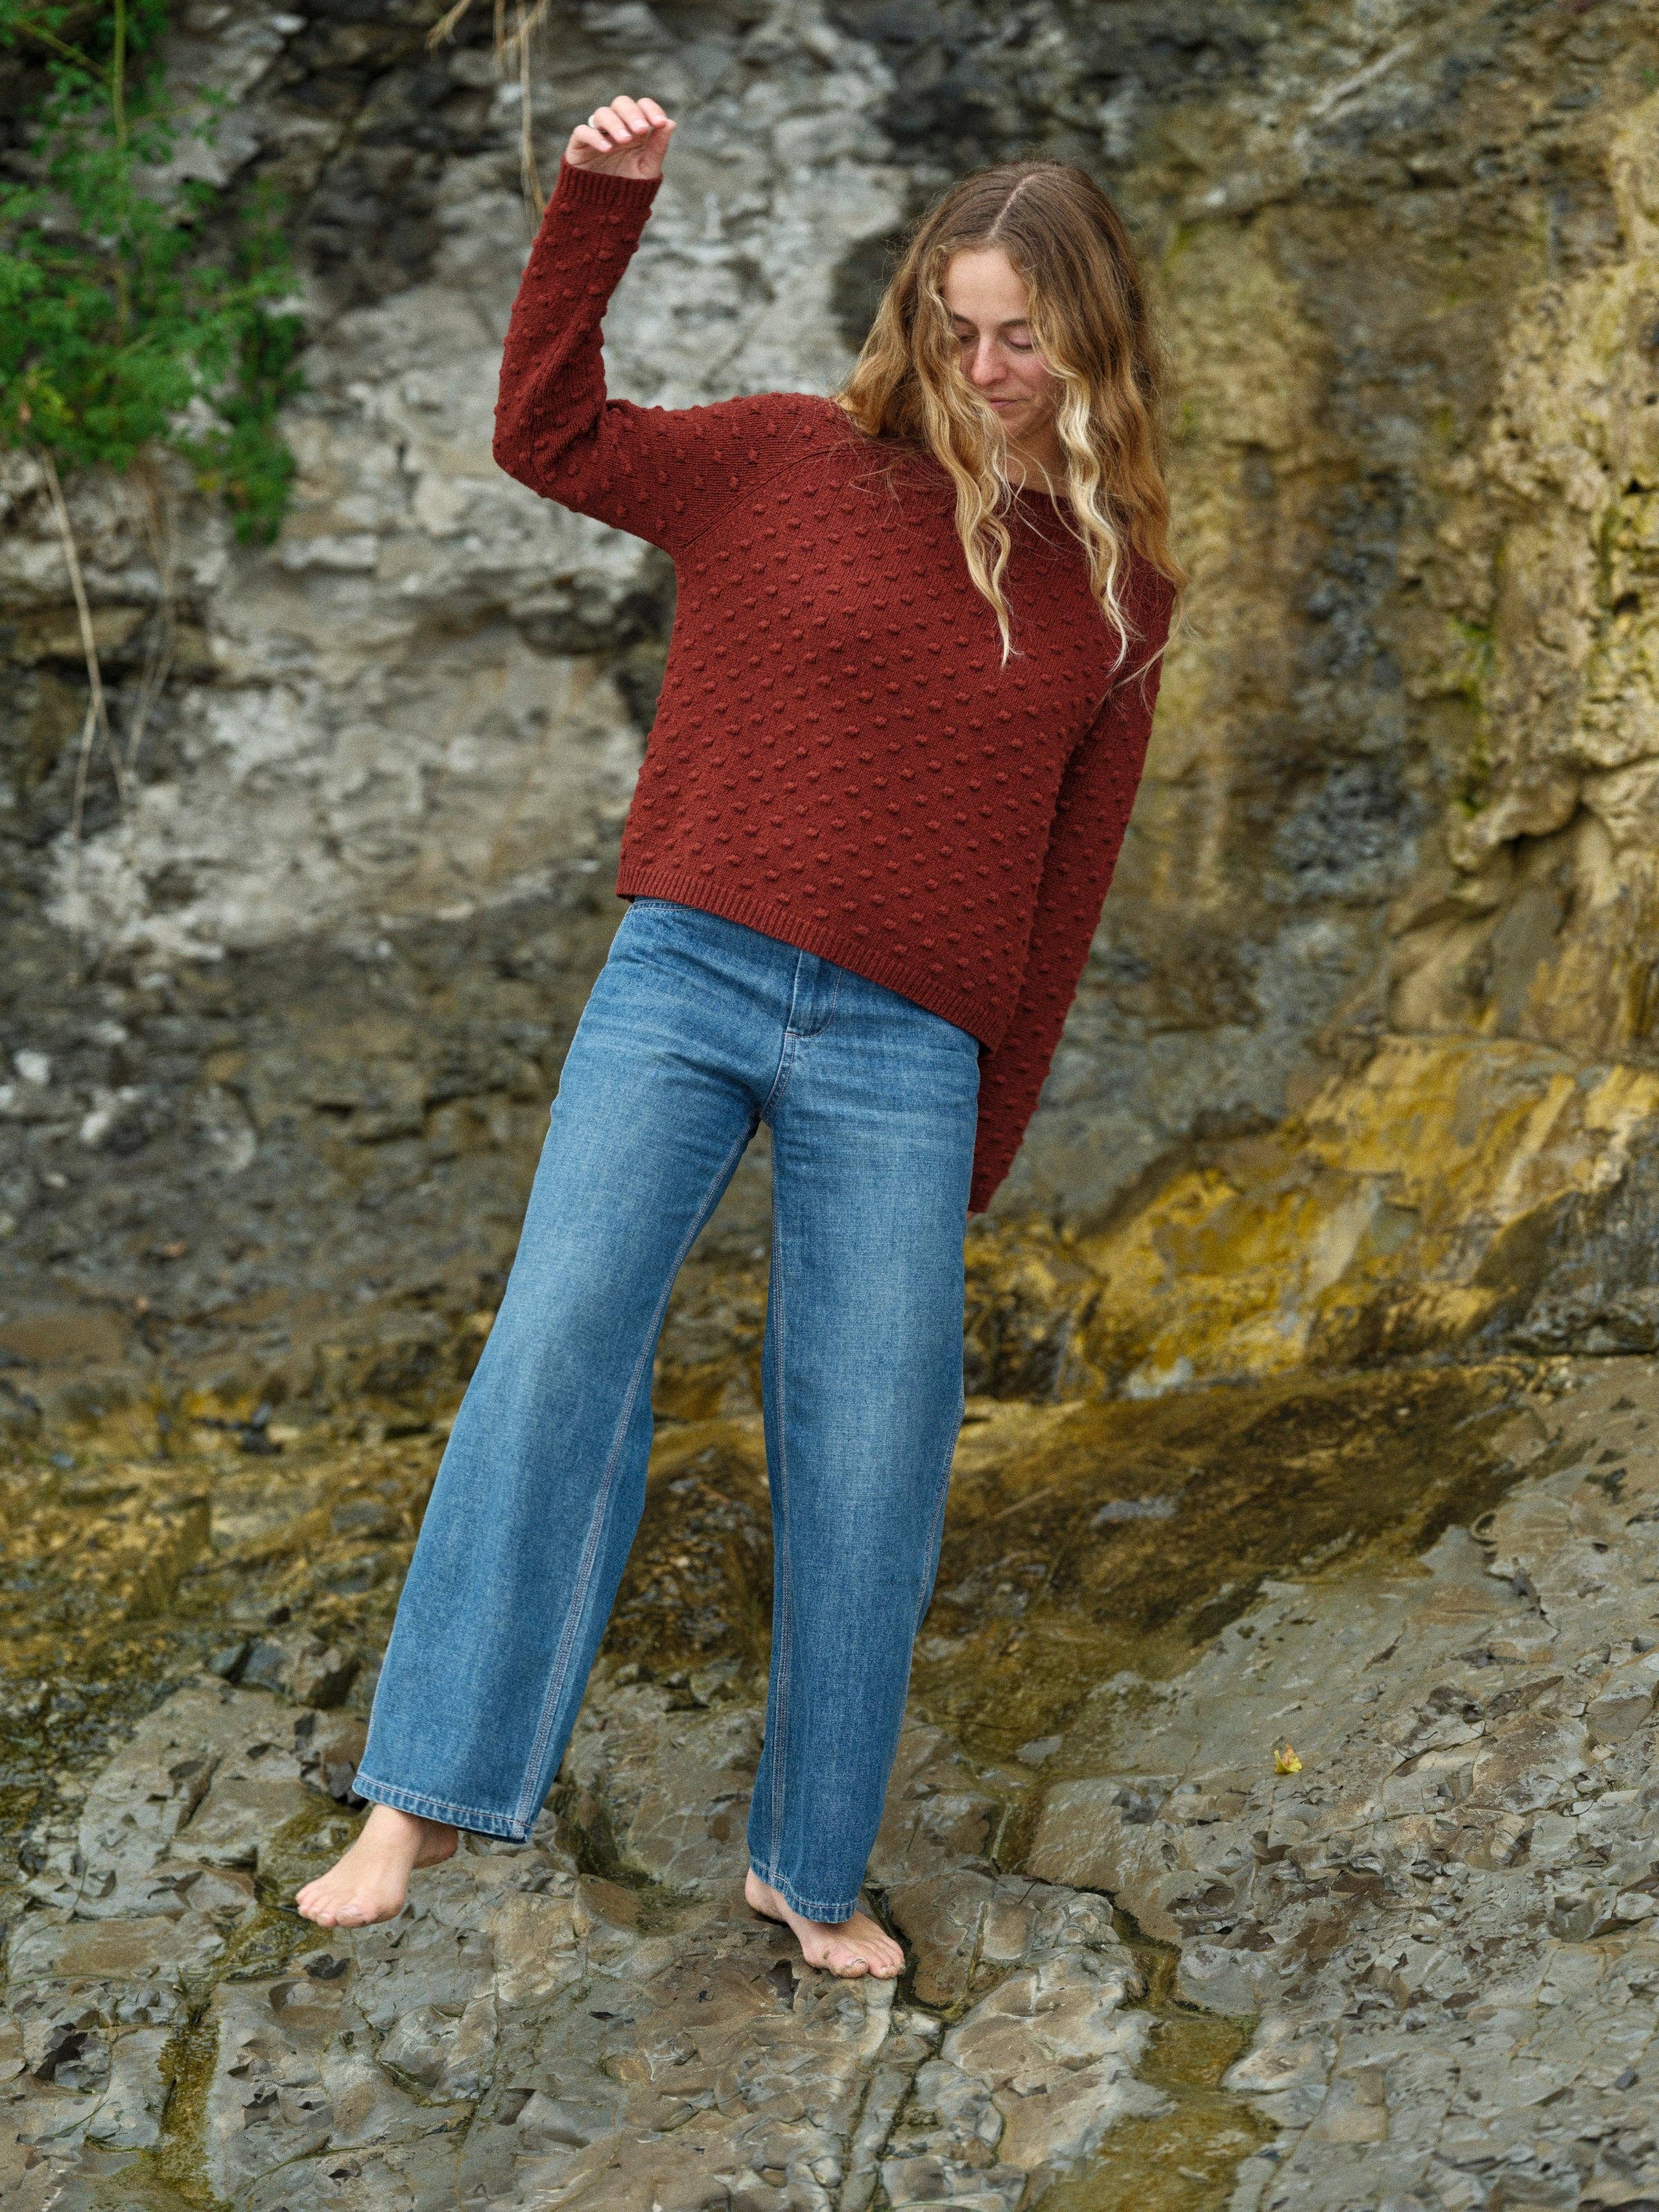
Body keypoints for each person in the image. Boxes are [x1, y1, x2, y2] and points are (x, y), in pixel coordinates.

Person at [296, 93, 1182, 1978]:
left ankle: (810, 1863)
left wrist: (975, 1153)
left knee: (878, 1443)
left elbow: (1061, 903)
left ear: (1098, 343)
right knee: (558, 1342)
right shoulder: (782, 460)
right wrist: (598, 209)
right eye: (957, 325)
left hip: (909, 1059)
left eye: (1027, 335)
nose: (988, 366)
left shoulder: (1121, 597)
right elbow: (546, 433)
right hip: (686, 981)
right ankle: (419, 1799)